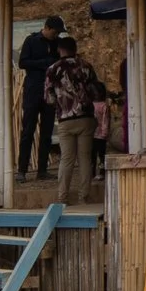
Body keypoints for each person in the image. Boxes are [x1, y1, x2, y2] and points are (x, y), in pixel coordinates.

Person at [42, 34, 109, 206]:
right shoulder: (86, 66)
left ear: (59, 49)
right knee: (85, 158)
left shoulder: (52, 70)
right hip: (86, 118)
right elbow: (96, 91)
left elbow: (49, 99)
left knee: (66, 159)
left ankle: (62, 198)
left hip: (65, 120)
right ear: (75, 48)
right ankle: (83, 198)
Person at [16, 14, 62, 180]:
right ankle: (22, 170)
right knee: (28, 131)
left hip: (49, 92)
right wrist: (44, 63)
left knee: (47, 132)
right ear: (47, 28)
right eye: (54, 32)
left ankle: (42, 169)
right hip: (33, 90)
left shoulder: (56, 43)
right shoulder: (32, 41)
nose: (56, 36)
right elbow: (23, 63)